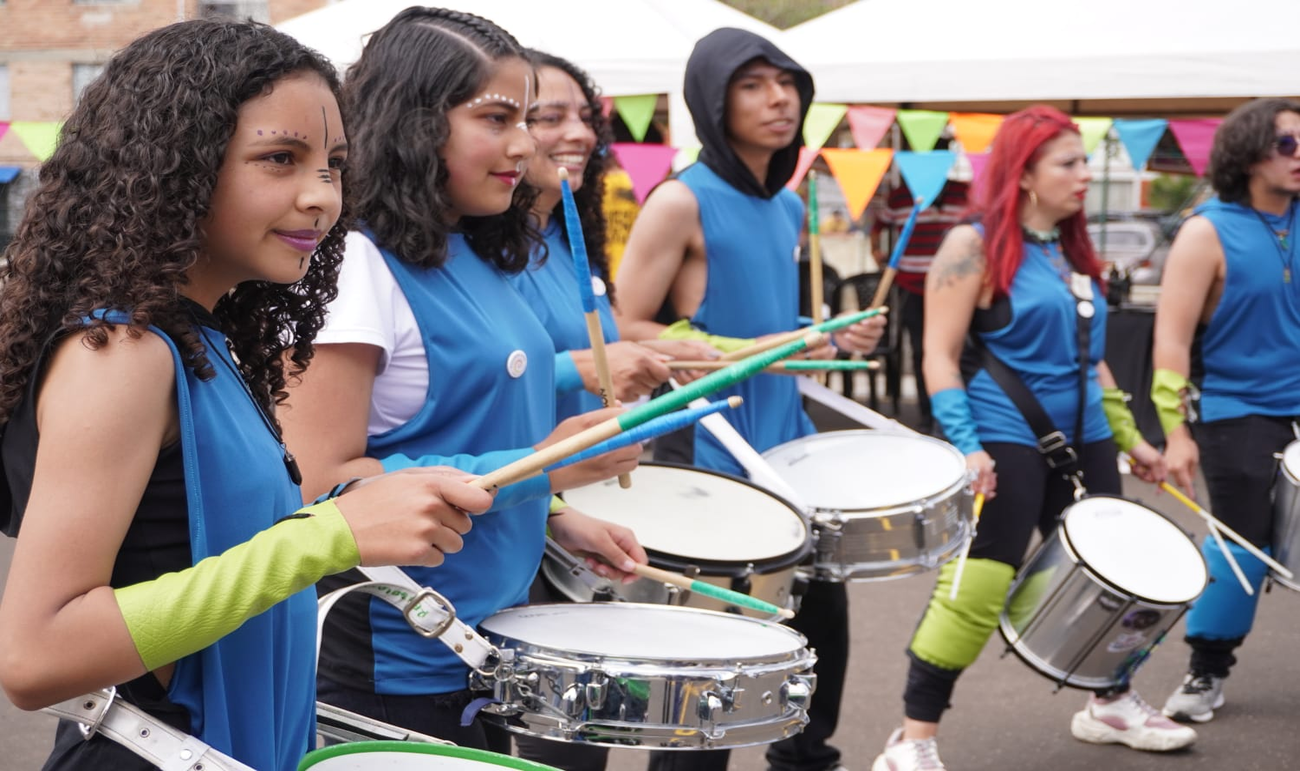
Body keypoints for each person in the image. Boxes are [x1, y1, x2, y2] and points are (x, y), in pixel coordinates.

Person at [0, 19, 492, 771]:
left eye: (332, 165)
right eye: (279, 159)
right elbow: (37, 656)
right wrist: (327, 534)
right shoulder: (124, 353)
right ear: (174, 167)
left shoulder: (205, 338)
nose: (320, 196)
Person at [277, 8, 646, 752]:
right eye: (497, 117)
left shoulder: (477, 248)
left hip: (493, 641)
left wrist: (554, 515)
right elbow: (317, 486)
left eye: (525, 117)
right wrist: (545, 466)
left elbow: (465, 437)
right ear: (414, 123)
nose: (525, 144)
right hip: (397, 655)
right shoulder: (353, 265)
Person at [871, 106, 1193, 771]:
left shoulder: (1072, 251)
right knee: (978, 589)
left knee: (1119, 579)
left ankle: (1110, 699)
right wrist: (966, 444)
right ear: (1024, 174)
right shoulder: (972, 245)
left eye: (1083, 160)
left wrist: (1134, 438)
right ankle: (913, 737)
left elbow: (1093, 358)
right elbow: (938, 354)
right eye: (1068, 163)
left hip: (1089, 434)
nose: (1084, 175)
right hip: (1002, 434)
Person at [614, 28, 885, 771]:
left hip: (787, 444)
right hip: (709, 451)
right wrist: (740, 351)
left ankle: (805, 761)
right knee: (713, 670)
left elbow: (763, 324)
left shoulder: (789, 209)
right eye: (754, 85)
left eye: (788, 83)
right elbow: (623, 328)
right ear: (713, 100)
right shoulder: (679, 200)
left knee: (819, 627)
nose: (780, 99)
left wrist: (822, 335)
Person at [1152, 97, 1300, 723]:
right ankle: (1206, 670)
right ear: (1248, 153)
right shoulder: (1205, 230)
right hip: (1237, 410)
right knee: (1243, 544)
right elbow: (1171, 341)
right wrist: (1175, 432)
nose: (1299, 155)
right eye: (1288, 144)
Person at [871, 178, 970, 434]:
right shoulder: (901, 195)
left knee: (959, 351)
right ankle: (928, 417)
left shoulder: (963, 192)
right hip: (912, 287)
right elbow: (878, 224)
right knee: (921, 352)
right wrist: (877, 252)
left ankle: (954, 420)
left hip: (956, 289)